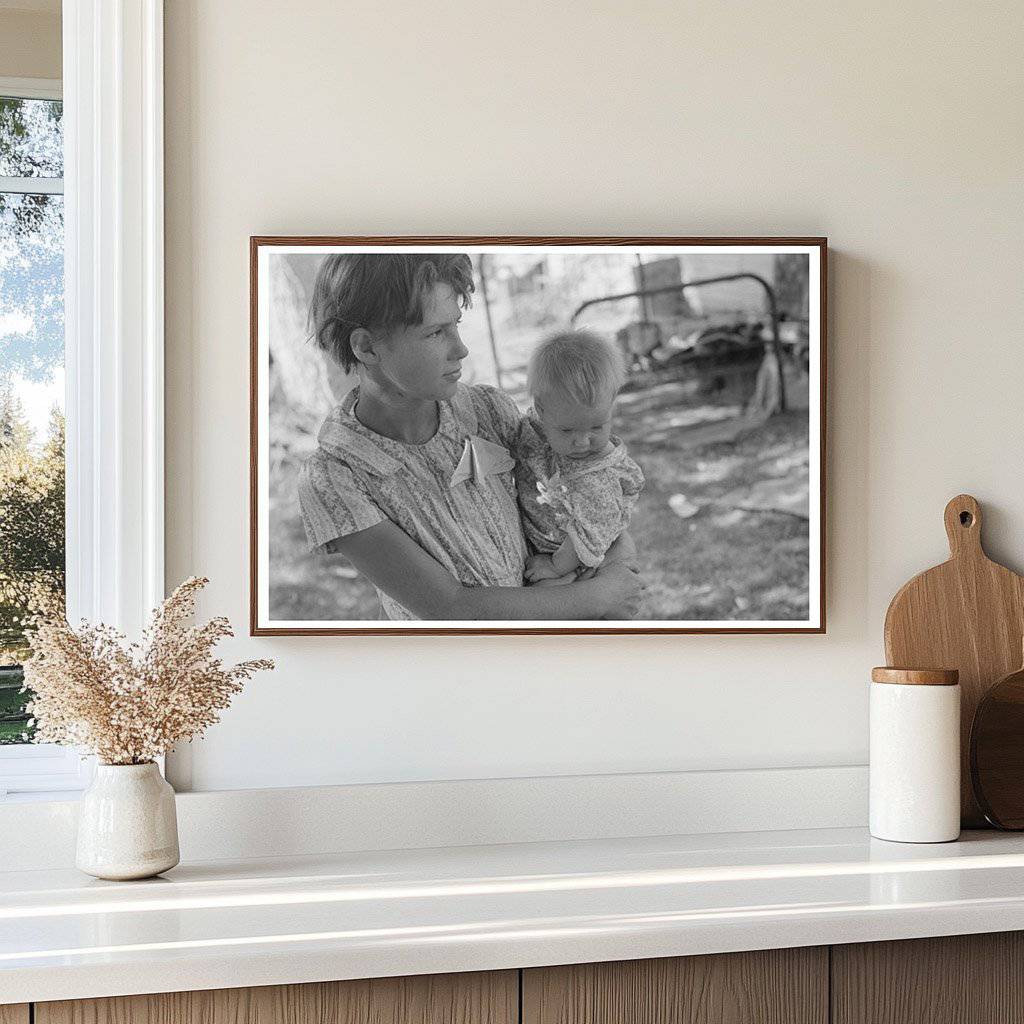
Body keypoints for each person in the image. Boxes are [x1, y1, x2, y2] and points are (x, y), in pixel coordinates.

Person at [297, 252, 641, 620]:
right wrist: (597, 597)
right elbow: (448, 607)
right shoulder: (335, 477)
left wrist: (615, 567)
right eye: (435, 332)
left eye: (456, 324)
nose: (460, 348)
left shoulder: (488, 411)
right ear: (366, 347)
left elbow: (596, 497)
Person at [515, 331, 645, 584]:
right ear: (542, 410)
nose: (583, 442)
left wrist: (555, 567)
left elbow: (589, 534)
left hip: (577, 560)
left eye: (597, 427)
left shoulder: (597, 479)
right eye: (567, 430)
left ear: (612, 404)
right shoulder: (541, 424)